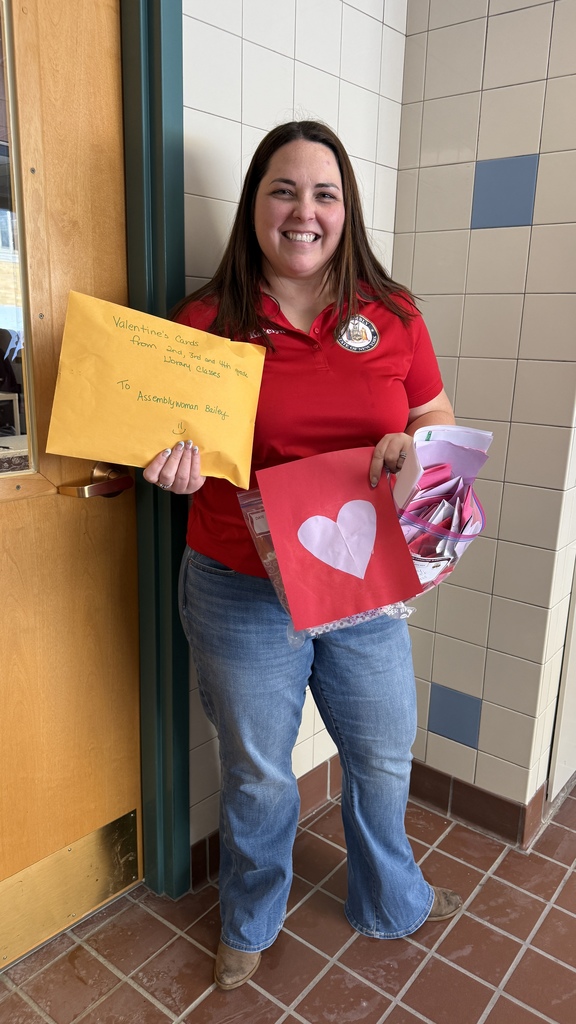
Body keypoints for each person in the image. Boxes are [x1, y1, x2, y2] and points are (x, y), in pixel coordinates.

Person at [144, 120, 461, 990]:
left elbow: (434, 415)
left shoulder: (392, 315)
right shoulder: (205, 323)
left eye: (324, 194)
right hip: (239, 587)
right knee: (255, 773)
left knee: (383, 750)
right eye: (284, 190)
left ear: (346, 210)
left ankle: (388, 894)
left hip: (360, 580)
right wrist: (171, 470)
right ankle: (250, 913)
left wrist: (413, 447)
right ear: (254, 205)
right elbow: (171, 440)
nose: (304, 212)